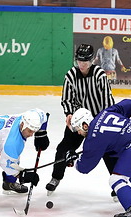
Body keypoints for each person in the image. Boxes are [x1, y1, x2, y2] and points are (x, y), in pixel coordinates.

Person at [65, 99, 131, 217]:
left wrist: (74, 161)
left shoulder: (92, 138)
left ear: (85, 125)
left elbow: (85, 167)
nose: (79, 133)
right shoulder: (104, 113)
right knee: (124, 162)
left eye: (78, 129)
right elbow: (130, 103)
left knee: (116, 179)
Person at [45, 43, 116, 196]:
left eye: (85, 61)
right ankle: (55, 177)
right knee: (63, 148)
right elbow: (67, 99)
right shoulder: (71, 74)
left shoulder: (99, 74)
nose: (82, 64)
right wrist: (69, 114)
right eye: (79, 60)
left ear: (92, 61)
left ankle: (118, 184)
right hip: (78, 120)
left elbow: (107, 100)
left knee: (108, 152)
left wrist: (102, 122)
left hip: (98, 120)